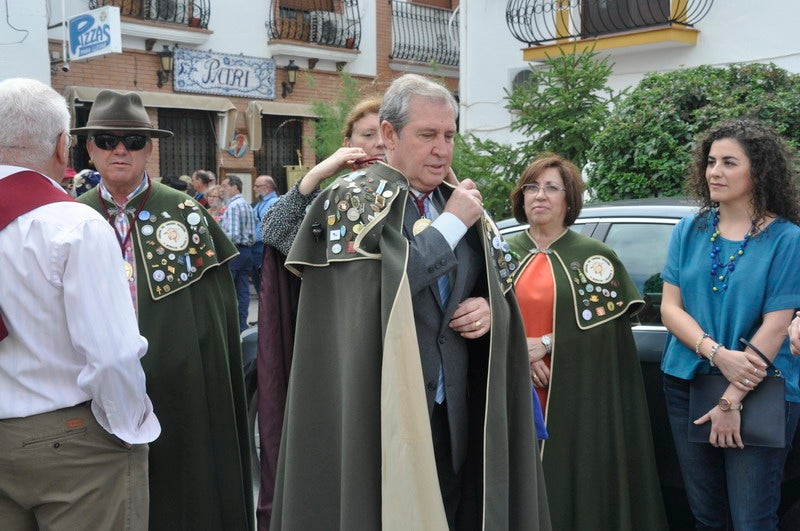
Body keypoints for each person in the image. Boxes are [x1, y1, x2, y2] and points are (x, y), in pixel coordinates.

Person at [270, 73, 550, 530]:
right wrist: (452, 225)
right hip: (379, 414)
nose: (442, 149)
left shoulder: (459, 204)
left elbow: (491, 289)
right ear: (388, 135)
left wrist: (488, 310)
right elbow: (380, 292)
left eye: (449, 136)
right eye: (427, 135)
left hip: (456, 408)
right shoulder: (349, 201)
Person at [71, 89, 254, 531]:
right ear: (89, 148)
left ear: (149, 149)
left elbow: (214, 320)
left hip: (178, 390)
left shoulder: (186, 213)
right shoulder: (70, 219)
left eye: (133, 140)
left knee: (182, 495)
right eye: (106, 139)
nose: (120, 149)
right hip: (90, 392)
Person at [0, 78, 160, 529]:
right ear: (62, 147)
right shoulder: (73, 224)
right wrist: (129, 430)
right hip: (70, 441)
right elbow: (111, 354)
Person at [505, 154, 667, 530]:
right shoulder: (499, 251)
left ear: (569, 200)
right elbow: (483, 316)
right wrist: (520, 356)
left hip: (573, 397)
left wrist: (545, 343)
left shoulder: (596, 258)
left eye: (551, 188)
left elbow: (606, 337)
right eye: (531, 186)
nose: (539, 195)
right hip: (510, 387)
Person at [660, 118, 800, 529]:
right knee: (707, 517)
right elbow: (670, 308)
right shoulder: (689, 229)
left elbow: (777, 325)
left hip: (762, 388)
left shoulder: (787, 238)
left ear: (759, 171)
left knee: (751, 518)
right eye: (710, 161)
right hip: (686, 381)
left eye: (729, 163)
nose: (714, 172)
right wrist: (717, 354)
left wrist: (731, 398)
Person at [255, 95, 385, 530]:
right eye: (366, 136)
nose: (376, 146)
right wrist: (317, 174)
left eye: (384, 135)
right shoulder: (332, 201)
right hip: (338, 351)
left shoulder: (417, 197)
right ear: (348, 144)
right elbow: (274, 232)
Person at [220, 174, 258, 331]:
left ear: (235, 187)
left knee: (227, 290)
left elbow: (232, 235)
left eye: (225, 186)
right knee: (243, 291)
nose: (222, 190)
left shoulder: (234, 206)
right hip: (246, 251)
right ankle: (242, 323)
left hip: (234, 251)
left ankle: (230, 326)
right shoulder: (247, 204)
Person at [251, 174, 279, 294]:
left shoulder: (274, 202)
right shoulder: (261, 203)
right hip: (256, 247)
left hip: (263, 247)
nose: (254, 189)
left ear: (267, 188)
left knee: (265, 283)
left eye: (257, 186)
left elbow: (268, 227)